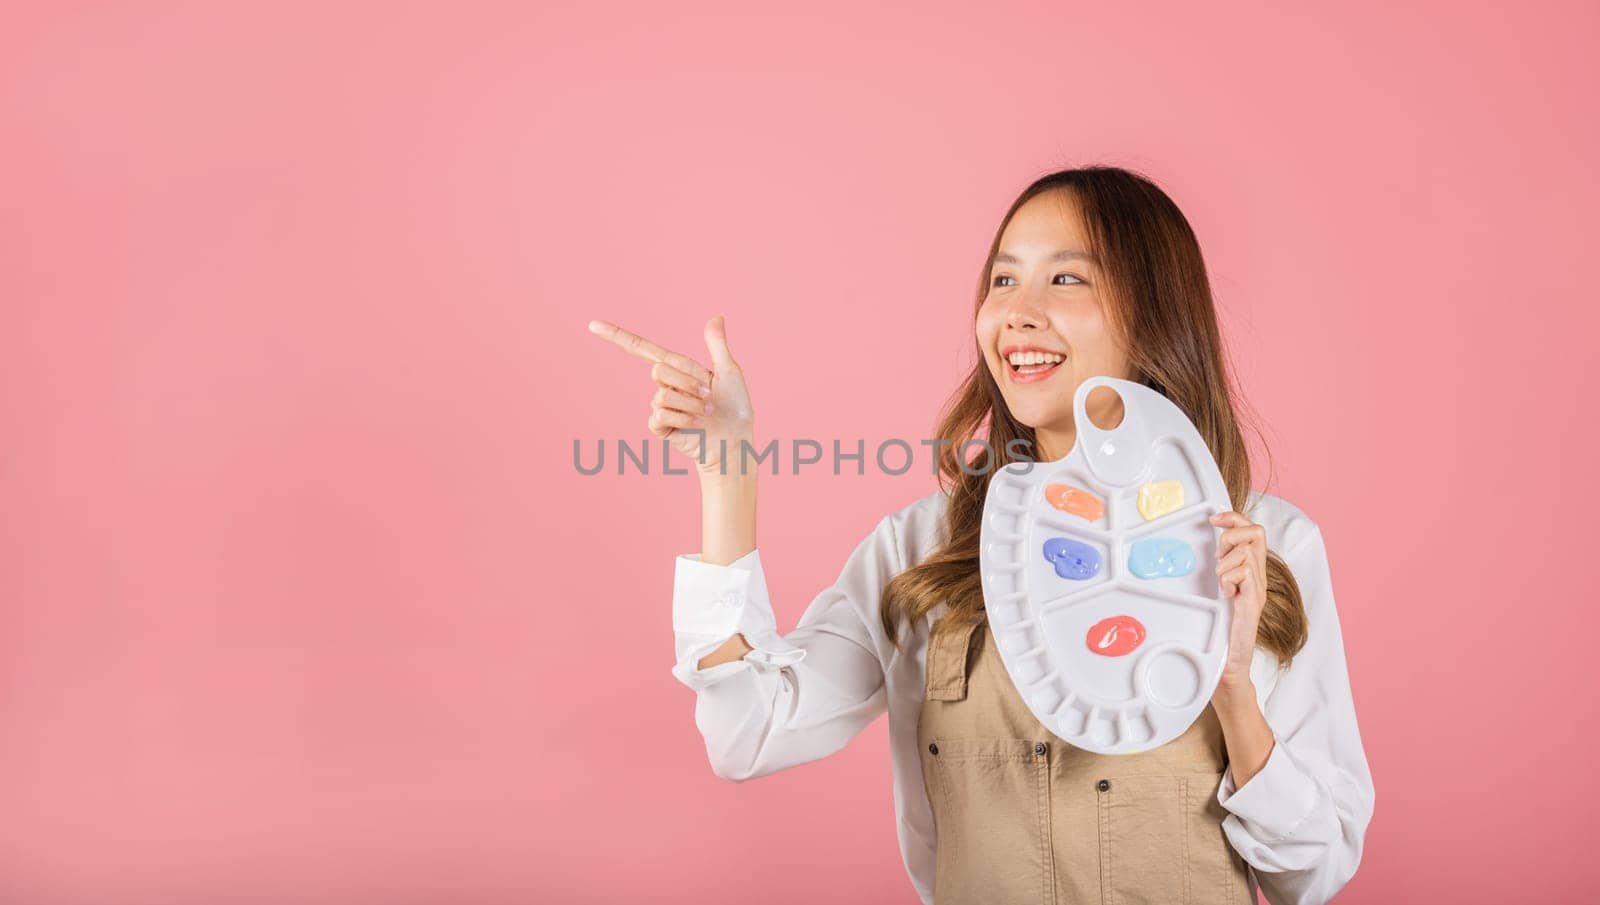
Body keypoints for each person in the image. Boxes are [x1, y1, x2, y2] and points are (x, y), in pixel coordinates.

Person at [589, 165, 1375, 905]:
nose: (1016, 312)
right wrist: (727, 472)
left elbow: (1318, 869)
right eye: (1003, 279)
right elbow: (748, 734)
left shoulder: (1264, 543)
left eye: (1066, 278)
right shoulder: (921, 547)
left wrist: (1233, 686)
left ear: (1155, 311)